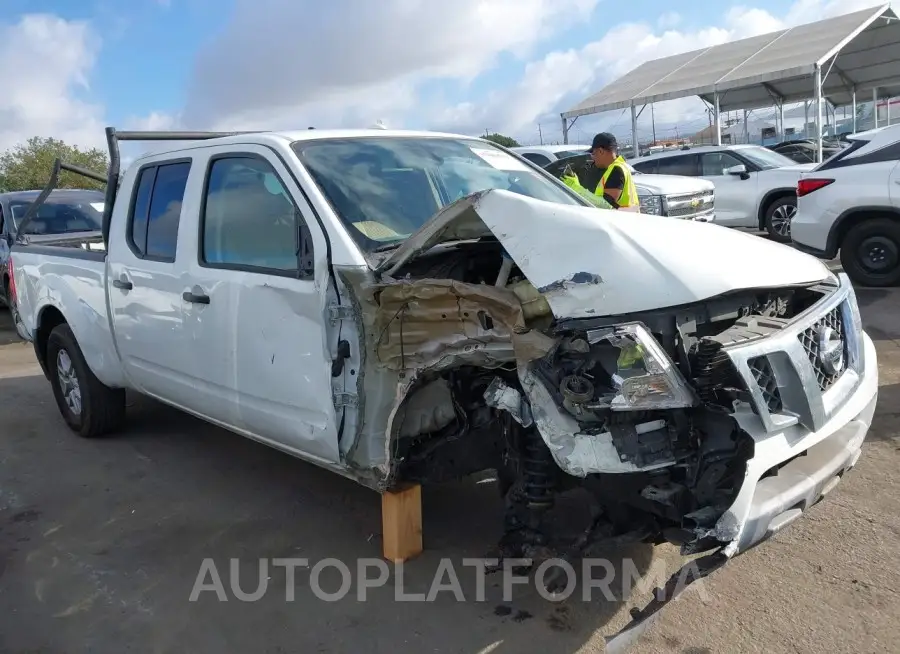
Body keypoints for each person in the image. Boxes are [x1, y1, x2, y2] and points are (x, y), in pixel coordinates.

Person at [562, 132, 640, 211]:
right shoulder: (621, 166)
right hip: (628, 220)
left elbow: (605, 205)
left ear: (600, 151)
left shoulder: (617, 170)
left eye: (594, 153)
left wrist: (575, 187)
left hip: (621, 221)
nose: (593, 158)